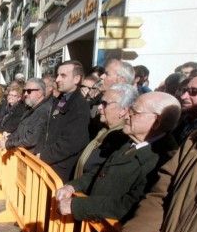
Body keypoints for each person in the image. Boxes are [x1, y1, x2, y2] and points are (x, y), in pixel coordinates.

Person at [56, 91, 181, 222]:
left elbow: (131, 204)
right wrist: (73, 186)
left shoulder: (163, 159)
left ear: (156, 121)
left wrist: (77, 206)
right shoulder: (130, 140)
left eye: (134, 112)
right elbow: (101, 171)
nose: (126, 115)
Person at [35, 60, 90, 182]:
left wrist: (43, 155)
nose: (58, 79)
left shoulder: (79, 106)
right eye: (58, 75)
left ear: (76, 79)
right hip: (46, 163)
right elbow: (47, 128)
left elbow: (71, 143)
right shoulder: (61, 99)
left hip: (60, 170)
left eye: (63, 75)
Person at [73, 83, 137, 178]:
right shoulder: (101, 129)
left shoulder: (120, 141)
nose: (99, 107)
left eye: (105, 104)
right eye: (100, 102)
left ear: (123, 110)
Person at [0, 78, 51, 151]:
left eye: (29, 91)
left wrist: (8, 144)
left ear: (39, 93)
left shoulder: (43, 111)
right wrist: (9, 137)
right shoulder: (29, 109)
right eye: (24, 91)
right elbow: (20, 131)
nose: (25, 94)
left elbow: (30, 140)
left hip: (31, 158)